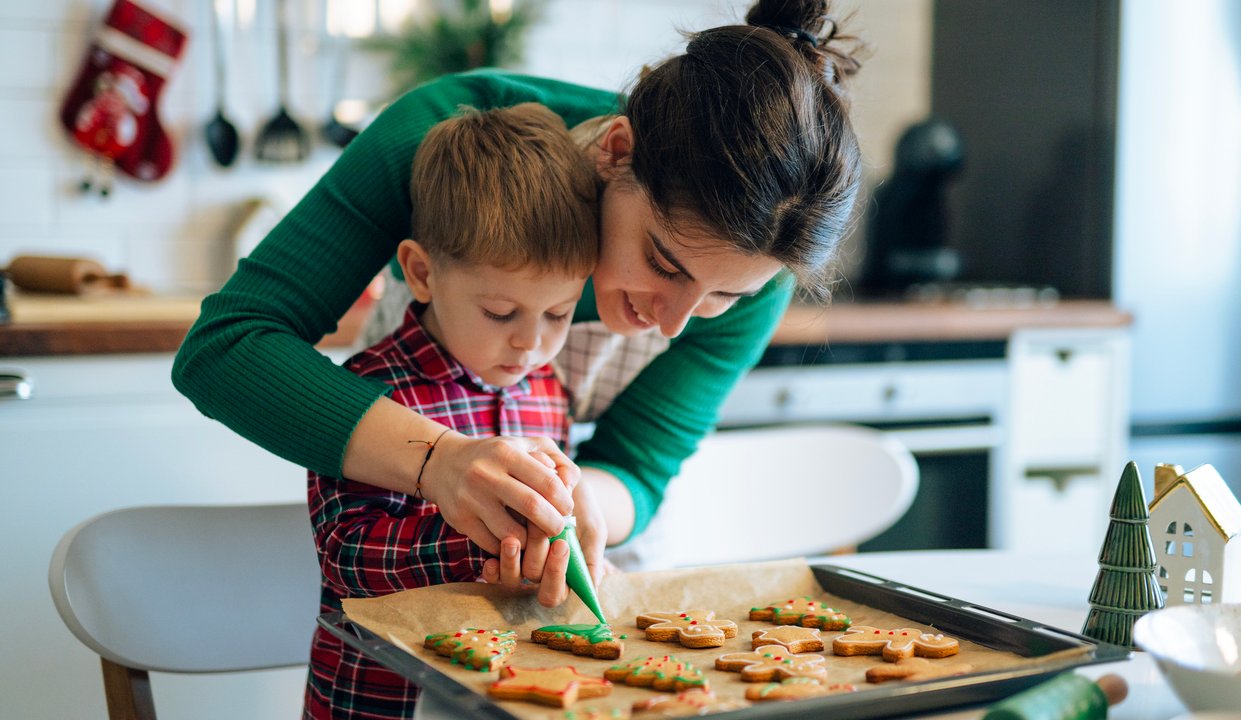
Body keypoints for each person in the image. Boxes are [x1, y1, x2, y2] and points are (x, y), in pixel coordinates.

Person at [172, 0, 864, 608]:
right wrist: (438, 461)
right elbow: (227, 348)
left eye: (724, 296)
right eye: (663, 263)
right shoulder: (443, 141)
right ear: (617, 151)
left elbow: (641, 465)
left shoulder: (763, 252)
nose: (674, 321)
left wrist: (569, 505)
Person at [305, 103, 598, 719]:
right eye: (501, 313)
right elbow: (347, 555)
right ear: (420, 272)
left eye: (558, 313)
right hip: (381, 702)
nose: (531, 342)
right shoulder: (370, 394)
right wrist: (483, 540)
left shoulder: (547, 390)